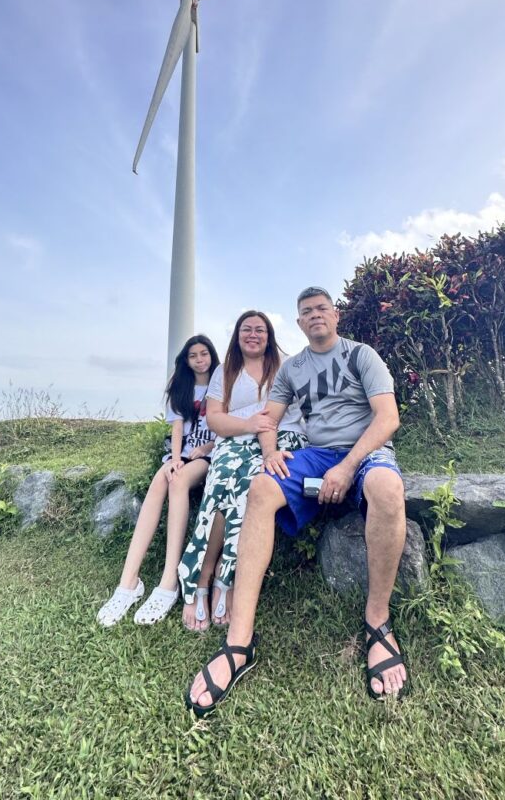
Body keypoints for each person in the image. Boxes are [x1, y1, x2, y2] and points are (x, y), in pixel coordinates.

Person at [186, 287, 406, 716]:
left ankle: (377, 623)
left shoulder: (362, 356)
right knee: (262, 487)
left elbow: (388, 418)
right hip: (316, 455)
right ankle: (238, 641)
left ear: (335, 315)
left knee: (385, 487)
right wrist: (269, 452)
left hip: (365, 451)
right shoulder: (293, 369)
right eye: (306, 312)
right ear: (300, 323)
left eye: (322, 308)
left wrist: (346, 468)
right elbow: (269, 417)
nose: (315, 315)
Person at [178, 311, 304, 632]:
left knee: (249, 486)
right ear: (237, 335)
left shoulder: (285, 365)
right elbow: (216, 419)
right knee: (221, 482)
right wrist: (248, 423)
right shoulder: (225, 371)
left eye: (259, 330)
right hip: (234, 437)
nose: (253, 335)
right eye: (246, 329)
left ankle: (227, 575)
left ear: (269, 335)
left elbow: (285, 414)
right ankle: (202, 574)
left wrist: (265, 439)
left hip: (280, 438)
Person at [96, 334, 221, 627]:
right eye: (193, 355)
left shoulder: (222, 383)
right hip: (183, 454)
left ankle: (169, 580)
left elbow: (225, 429)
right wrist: (176, 458)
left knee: (178, 482)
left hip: (208, 455)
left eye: (204, 354)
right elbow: (177, 428)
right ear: (185, 361)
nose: (200, 359)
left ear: (212, 356)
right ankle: (129, 582)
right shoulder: (180, 387)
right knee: (161, 480)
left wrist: (201, 451)